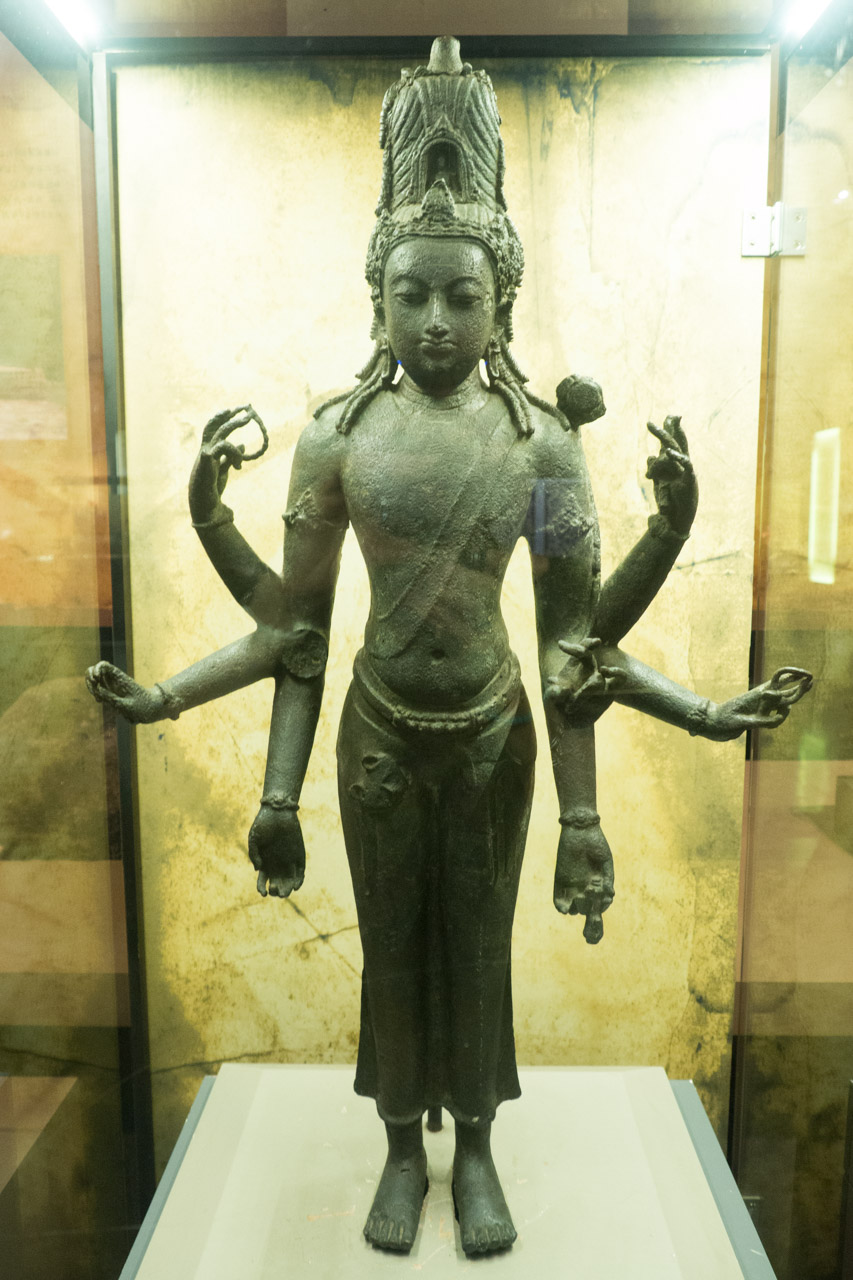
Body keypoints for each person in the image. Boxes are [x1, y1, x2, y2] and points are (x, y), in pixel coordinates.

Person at [87, 38, 811, 1257]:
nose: (434, 320)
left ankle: (472, 1141)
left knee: (477, 948)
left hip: (490, 737)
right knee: (389, 947)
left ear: (501, 301)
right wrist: (217, 722)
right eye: (410, 294)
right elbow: (292, 629)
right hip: (377, 732)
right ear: (376, 298)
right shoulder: (335, 437)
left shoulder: (542, 446)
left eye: (459, 297)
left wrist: (630, 747)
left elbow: (576, 641)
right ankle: (396, 1142)